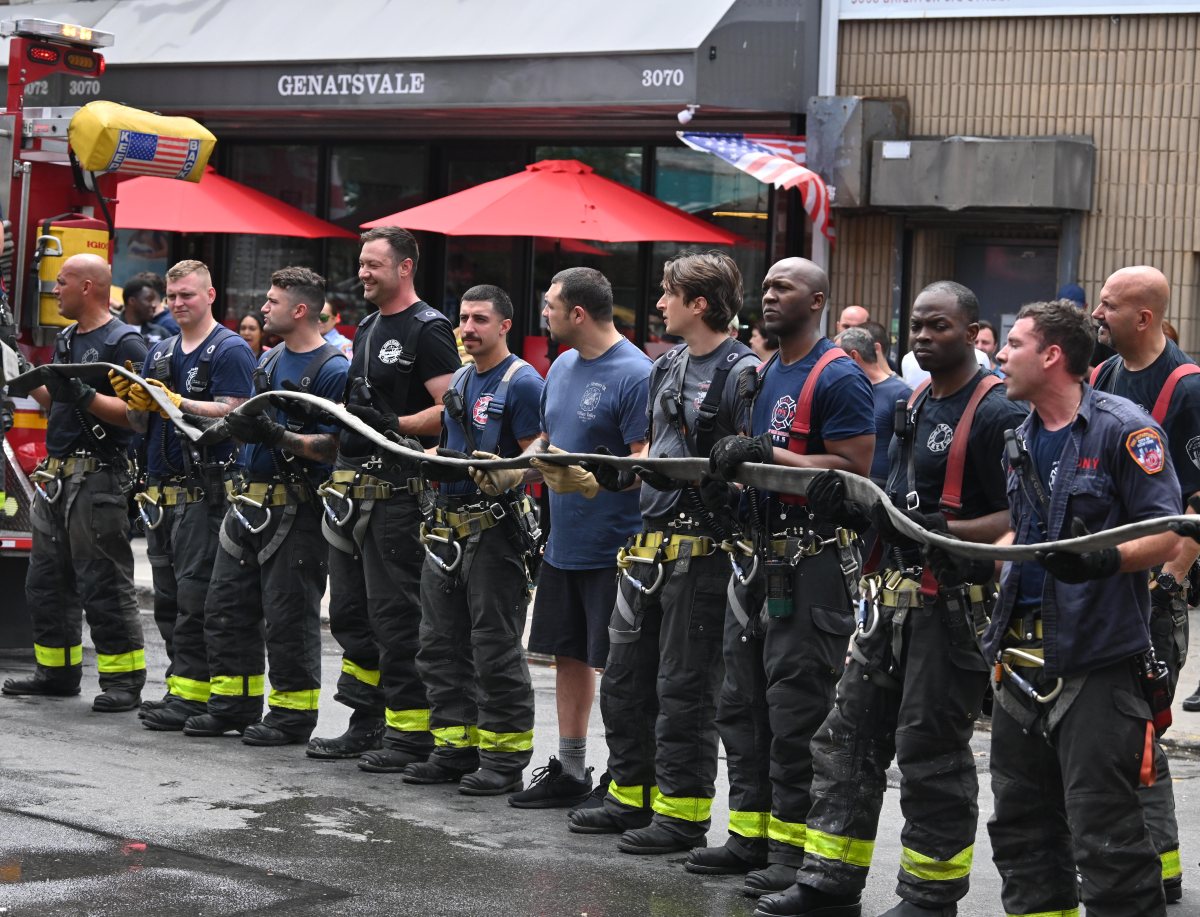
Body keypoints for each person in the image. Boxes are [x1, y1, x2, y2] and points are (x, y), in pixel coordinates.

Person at [757, 280, 1025, 917]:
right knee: (844, 739)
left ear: (970, 330)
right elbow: (889, 499)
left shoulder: (995, 412)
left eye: (941, 327)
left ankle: (929, 899)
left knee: (930, 750)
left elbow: (1022, 517)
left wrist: (944, 531)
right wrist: (847, 501)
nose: (926, 337)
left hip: (953, 608)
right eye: (918, 327)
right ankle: (828, 882)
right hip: (888, 603)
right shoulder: (910, 405)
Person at [986, 299, 1180, 917]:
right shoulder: (1019, 436)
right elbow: (1026, 534)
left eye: (1013, 343)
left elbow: (1172, 532)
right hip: (1019, 660)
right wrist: (986, 553)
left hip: (1096, 661)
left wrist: (1103, 558)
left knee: (1106, 834)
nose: (1000, 354)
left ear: (1052, 356)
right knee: (1022, 828)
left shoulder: (1124, 428)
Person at [689, 258, 874, 898]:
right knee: (741, 707)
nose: (768, 296)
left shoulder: (838, 376)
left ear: (817, 300)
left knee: (796, 713)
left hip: (811, 566)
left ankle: (796, 859)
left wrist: (773, 456)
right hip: (755, 560)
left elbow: (855, 470)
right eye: (764, 286)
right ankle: (750, 839)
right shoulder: (761, 374)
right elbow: (749, 455)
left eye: (782, 288)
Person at [566, 252, 758, 853]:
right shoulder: (667, 362)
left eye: (668, 294)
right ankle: (631, 796)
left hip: (704, 556)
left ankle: (681, 816)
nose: (658, 304)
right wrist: (603, 477)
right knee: (625, 680)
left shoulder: (742, 371)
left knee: (685, 689)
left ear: (699, 303)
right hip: (648, 550)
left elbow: (747, 475)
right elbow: (654, 455)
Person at [305, 227, 461, 771]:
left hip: (398, 498)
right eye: (361, 263)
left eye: (373, 265)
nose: (362, 273)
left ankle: (410, 735)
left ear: (405, 268)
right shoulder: (368, 325)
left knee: (396, 618)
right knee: (350, 614)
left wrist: (393, 424)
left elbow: (450, 409)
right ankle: (365, 721)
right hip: (351, 494)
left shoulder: (429, 328)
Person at [181, 267, 348, 746]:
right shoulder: (269, 360)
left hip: (298, 513)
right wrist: (210, 430)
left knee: (288, 616)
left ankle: (292, 717)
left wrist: (279, 436)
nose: (262, 309)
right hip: (247, 506)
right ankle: (232, 706)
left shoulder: (333, 370)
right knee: (226, 607)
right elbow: (246, 419)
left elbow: (335, 448)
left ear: (299, 309)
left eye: (272, 302)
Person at [505, 267, 651, 808]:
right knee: (568, 654)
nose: (543, 313)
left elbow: (647, 461)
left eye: (549, 305)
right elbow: (548, 440)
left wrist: (598, 476)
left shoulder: (636, 373)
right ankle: (570, 769)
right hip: (563, 539)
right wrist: (515, 469)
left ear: (578, 314)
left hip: (616, 547)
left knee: (617, 666)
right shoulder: (562, 365)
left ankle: (625, 775)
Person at [403, 284, 543, 795]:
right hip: (445, 530)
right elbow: (453, 442)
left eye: (480, 319)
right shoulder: (460, 380)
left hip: (496, 535)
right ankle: (453, 749)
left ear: (506, 325)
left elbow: (539, 462)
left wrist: (511, 473)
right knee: (439, 644)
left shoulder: (523, 383)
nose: (467, 328)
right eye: (463, 318)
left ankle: (503, 760)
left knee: (493, 647)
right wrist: (425, 454)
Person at [1090, 265, 1199, 902]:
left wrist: (1166, 581)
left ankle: (1162, 872)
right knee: (1109, 737)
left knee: (1144, 735)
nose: (1096, 315)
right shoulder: (1104, 376)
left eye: (1107, 306)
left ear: (1144, 318)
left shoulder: (1186, 389)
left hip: (1152, 593)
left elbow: (1195, 510)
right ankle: (1125, 862)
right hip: (1106, 585)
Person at [110, 260, 257, 730]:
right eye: (172, 296)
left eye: (187, 295)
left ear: (210, 295)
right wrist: (136, 403)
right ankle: (183, 689)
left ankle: (198, 697)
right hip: (160, 497)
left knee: (199, 600)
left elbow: (235, 418)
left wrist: (178, 402)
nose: (177, 304)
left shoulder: (229, 349)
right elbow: (142, 425)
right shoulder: (161, 353)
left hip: (204, 497)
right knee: (170, 601)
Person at [1, 254, 148, 712]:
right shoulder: (66, 338)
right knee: (46, 582)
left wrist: (84, 394)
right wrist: (15, 369)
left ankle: (123, 680)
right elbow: (55, 405)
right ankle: (57, 673)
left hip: (99, 476)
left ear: (88, 287)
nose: (54, 290)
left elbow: (135, 417)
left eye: (60, 283)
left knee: (102, 579)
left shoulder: (126, 343)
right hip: (57, 477)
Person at [837, 325, 911, 486]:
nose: (833, 364)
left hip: (884, 491)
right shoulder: (847, 390)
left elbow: (908, 451)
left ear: (853, 356)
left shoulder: (899, 393)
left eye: (838, 358)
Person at [122, 272, 178, 347]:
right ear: (132, 301)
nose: (153, 305)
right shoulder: (112, 330)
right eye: (148, 300)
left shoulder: (162, 333)